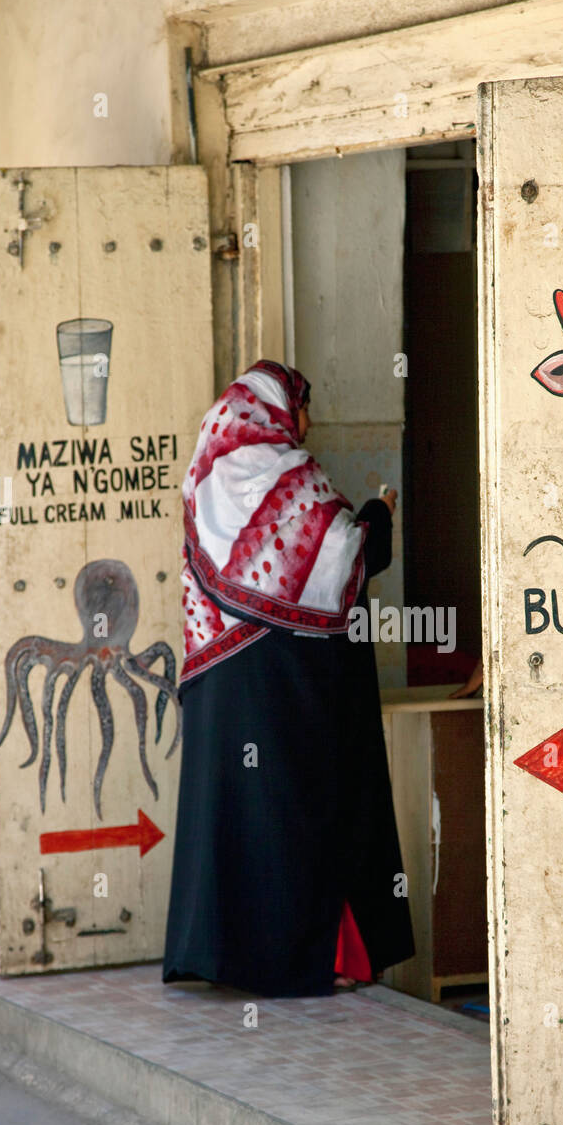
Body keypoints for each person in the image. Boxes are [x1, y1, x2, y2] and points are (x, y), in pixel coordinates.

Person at [162, 360, 415, 997]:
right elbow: (344, 559)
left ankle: (223, 957)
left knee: (232, 818)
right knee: (294, 814)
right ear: (279, 408)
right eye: (303, 409)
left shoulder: (204, 476)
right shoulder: (291, 475)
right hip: (281, 684)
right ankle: (302, 959)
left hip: (219, 681)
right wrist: (379, 516)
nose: (307, 424)